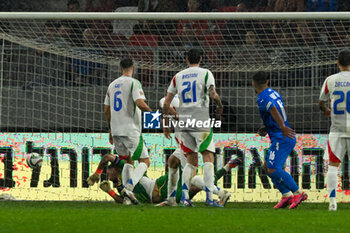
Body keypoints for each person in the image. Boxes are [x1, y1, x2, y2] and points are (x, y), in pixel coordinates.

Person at [162, 48, 224, 207]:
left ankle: (184, 198)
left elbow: (167, 103)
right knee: (208, 157)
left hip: (183, 121)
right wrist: (219, 105)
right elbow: (213, 94)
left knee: (191, 161)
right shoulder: (206, 73)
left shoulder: (178, 76)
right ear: (201, 58)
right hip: (200, 118)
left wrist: (166, 125)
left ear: (187, 59)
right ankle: (210, 198)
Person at [88, 58, 152, 204]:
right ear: (133, 68)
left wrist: (110, 129)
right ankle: (128, 188)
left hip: (116, 130)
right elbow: (139, 102)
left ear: (120, 68)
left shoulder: (112, 85)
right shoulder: (133, 83)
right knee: (145, 161)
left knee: (127, 161)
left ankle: (127, 200)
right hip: (131, 129)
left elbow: (106, 109)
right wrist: (153, 113)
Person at [89, 153, 241, 205]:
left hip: (160, 186)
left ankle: (221, 190)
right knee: (194, 185)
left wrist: (97, 172)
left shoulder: (125, 167)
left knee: (192, 179)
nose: (107, 174)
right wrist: (110, 192)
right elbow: (126, 202)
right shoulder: (119, 185)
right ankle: (227, 169)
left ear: (114, 169)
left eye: (108, 171)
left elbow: (107, 156)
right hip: (161, 195)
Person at [253, 71, 307, 209]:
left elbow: (274, 109)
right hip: (280, 135)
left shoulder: (262, 97)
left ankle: (297, 193)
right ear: (267, 81)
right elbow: (274, 111)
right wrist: (267, 127)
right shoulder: (273, 93)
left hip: (282, 137)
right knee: (267, 167)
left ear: (253, 83)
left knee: (272, 169)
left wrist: (282, 126)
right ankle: (286, 195)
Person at [318, 50, 350, 211]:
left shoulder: (330, 80)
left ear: (338, 63)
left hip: (337, 129)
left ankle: (332, 202)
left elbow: (320, 101)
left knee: (333, 165)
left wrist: (326, 110)